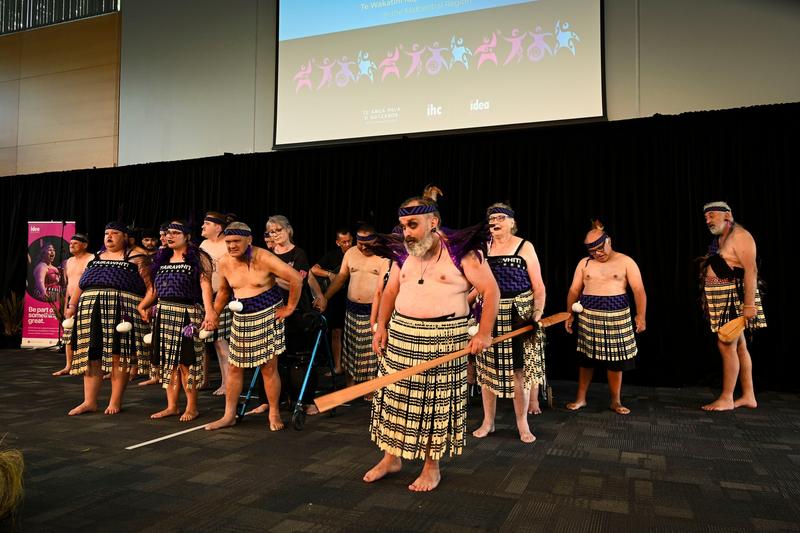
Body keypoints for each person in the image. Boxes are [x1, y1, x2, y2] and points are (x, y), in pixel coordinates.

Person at [365, 190, 499, 491]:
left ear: (434, 221)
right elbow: (390, 292)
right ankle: (391, 458)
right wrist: (382, 326)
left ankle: (431, 467)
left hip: (443, 339)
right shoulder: (403, 253)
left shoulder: (462, 253)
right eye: (402, 226)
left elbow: (491, 292)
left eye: (412, 225)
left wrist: (484, 332)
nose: (406, 233)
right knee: (394, 400)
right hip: (401, 335)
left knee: (435, 406)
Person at [205, 222, 303, 431]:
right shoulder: (224, 262)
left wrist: (289, 308)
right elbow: (223, 292)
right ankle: (229, 415)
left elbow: (296, 278)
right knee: (234, 366)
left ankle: (274, 413)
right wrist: (212, 313)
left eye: (236, 241)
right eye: (228, 241)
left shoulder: (264, 257)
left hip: (268, 313)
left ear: (249, 240)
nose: (231, 246)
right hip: (241, 317)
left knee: (268, 367)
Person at [472, 203, 546, 443]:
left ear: (512, 222)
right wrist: (461, 304)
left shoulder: (525, 247)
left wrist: (536, 313)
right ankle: (488, 421)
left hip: (518, 314)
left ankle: (522, 424)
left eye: (501, 218)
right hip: (488, 315)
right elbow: (476, 286)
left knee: (519, 372)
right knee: (486, 370)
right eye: (492, 218)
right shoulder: (482, 248)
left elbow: (539, 287)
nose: (496, 222)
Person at [67, 222, 151, 415]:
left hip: (120, 309)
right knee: (91, 356)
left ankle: (115, 401)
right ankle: (89, 401)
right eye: (106, 233)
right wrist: (72, 305)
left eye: (114, 233)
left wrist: (145, 306)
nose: (109, 237)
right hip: (92, 309)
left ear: (125, 237)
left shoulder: (137, 257)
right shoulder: (96, 257)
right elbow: (81, 284)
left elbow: (150, 286)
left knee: (118, 356)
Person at [565, 220, 646, 415]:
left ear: (608, 241)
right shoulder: (584, 263)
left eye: (600, 248)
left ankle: (615, 401)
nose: (597, 253)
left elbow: (638, 290)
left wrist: (641, 315)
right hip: (588, 317)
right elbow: (574, 290)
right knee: (586, 360)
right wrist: (569, 314)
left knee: (616, 361)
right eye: (592, 251)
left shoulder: (626, 261)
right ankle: (581, 398)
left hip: (617, 317)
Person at [138, 221, 217, 422]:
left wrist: (210, 312)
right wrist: (143, 306)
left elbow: (205, 284)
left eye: (175, 233)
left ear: (187, 236)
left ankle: (192, 407)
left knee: (186, 363)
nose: (169, 236)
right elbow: (154, 289)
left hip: (187, 313)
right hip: (164, 313)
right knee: (168, 363)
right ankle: (172, 406)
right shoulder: (161, 258)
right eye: (167, 233)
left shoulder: (198, 257)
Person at [700, 201, 766, 411]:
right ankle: (748, 395)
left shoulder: (741, 236)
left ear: (727, 215)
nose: (708, 220)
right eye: (706, 217)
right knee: (740, 346)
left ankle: (727, 398)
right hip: (723, 297)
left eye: (712, 215)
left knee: (726, 344)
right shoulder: (722, 238)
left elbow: (751, 270)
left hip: (734, 298)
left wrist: (749, 305)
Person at [267, 215, 327, 415]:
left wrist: (272, 278)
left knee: (301, 357)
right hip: (274, 309)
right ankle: (276, 399)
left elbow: (299, 281)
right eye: (271, 232)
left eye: (278, 230)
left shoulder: (298, 254)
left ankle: (307, 400)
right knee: (276, 358)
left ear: (288, 230)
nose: (275, 235)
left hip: (297, 310)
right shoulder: (268, 254)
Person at [323, 224, 388, 392]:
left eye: (368, 244)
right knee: (351, 350)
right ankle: (350, 387)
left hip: (373, 311)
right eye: (360, 243)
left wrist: (376, 319)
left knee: (372, 353)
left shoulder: (384, 257)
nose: (364, 247)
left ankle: (370, 389)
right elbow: (341, 277)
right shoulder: (351, 253)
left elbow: (381, 290)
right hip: (351, 310)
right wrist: (325, 297)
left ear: (376, 240)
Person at [200, 211, 236, 395]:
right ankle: (226, 381)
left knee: (223, 343)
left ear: (218, 227)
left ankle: (229, 383)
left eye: (207, 224)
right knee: (216, 342)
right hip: (209, 298)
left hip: (228, 298)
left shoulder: (228, 245)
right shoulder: (204, 244)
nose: (203, 227)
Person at [311, 228, 353, 375]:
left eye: (349, 241)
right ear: (338, 243)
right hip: (337, 298)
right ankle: (337, 366)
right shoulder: (333, 256)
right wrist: (330, 274)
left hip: (353, 299)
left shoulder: (356, 254)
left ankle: (352, 368)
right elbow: (313, 270)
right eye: (344, 242)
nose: (347, 244)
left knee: (352, 333)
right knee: (336, 332)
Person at [53, 234, 92, 376]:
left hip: (87, 301)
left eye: (75, 243)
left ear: (85, 245)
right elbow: (69, 284)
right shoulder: (69, 261)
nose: (71, 245)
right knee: (68, 334)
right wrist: (67, 305)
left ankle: (87, 366)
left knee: (87, 335)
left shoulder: (92, 259)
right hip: (71, 303)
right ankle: (68, 366)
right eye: (70, 243)